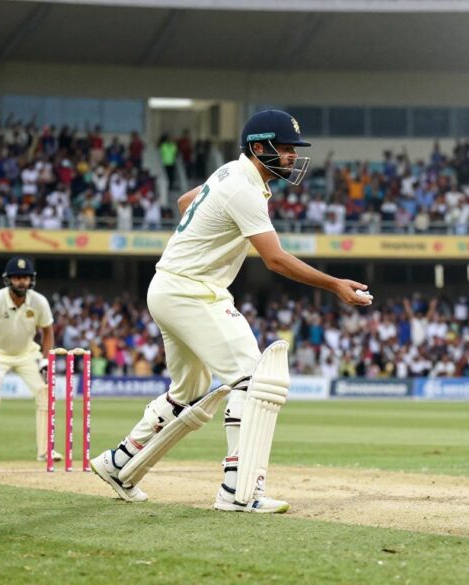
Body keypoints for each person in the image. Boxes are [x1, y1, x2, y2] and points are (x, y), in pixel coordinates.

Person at [91, 110, 373, 513]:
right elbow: (274, 260)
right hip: (193, 292)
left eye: (294, 150)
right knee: (253, 379)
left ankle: (119, 462)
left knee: (187, 392)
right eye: (286, 148)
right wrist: (334, 285)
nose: (292, 157)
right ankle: (238, 490)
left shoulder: (229, 174)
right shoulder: (242, 187)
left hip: (169, 286)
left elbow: (186, 201)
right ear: (259, 148)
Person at [0, 257, 56, 462]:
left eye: (25, 277)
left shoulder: (39, 301)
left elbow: (48, 331)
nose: (21, 282)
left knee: (46, 393)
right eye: (17, 278)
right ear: (8, 280)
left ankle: (46, 450)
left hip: (27, 354)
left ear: (31, 280)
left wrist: (45, 359)